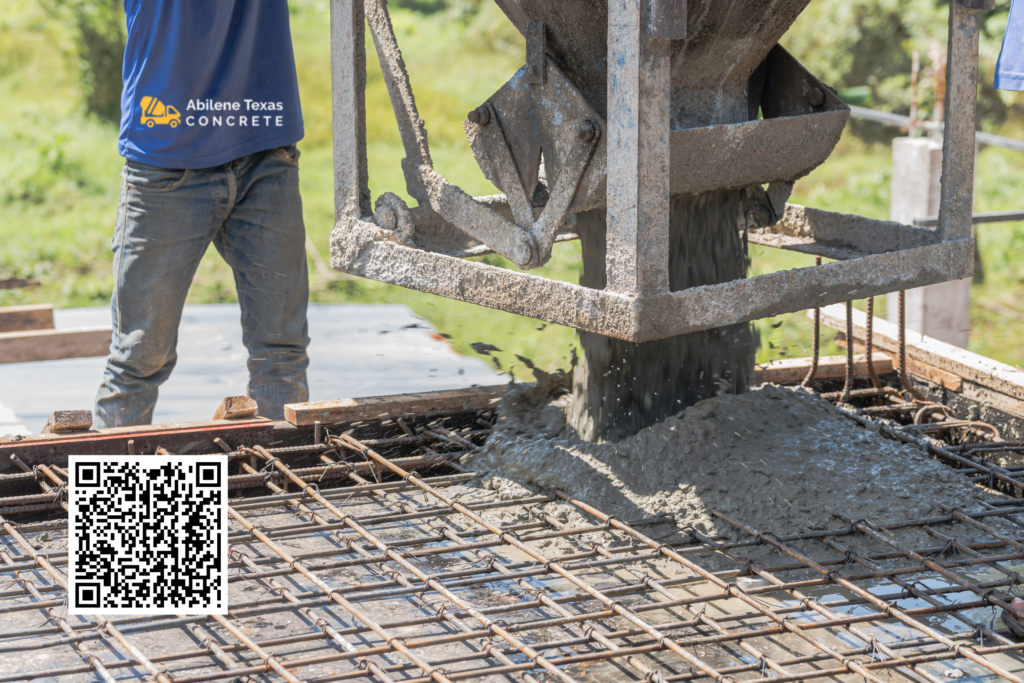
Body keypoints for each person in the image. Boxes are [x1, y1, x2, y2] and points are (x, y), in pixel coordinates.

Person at [94, 1, 310, 428]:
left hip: (264, 149)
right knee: (138, 358)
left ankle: (277, 489)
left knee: (281, 351)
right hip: (167, 159)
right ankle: (113, 493)